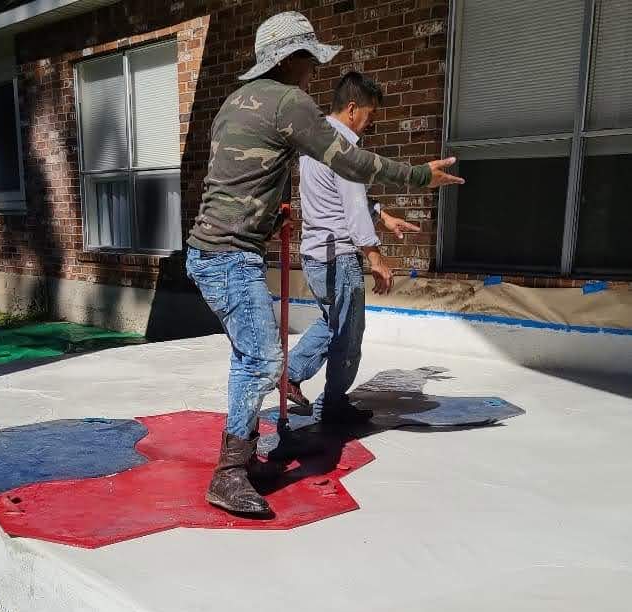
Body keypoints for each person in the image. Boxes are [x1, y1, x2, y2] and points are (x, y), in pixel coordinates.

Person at [186, 11, 463, 518]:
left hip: (210, 250)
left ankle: (241, 463)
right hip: (229, 257)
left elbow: (237, 174)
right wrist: (420, 175)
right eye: (311, 60)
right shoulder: (290, 101)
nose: (314, 72)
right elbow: (351, 163)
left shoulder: (234, 102)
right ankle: (228, 475)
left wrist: (272, 209)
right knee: (264, 361)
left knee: (249, 358)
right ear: (292, 60)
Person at [286, 71, 421, 423]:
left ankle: (290, 373)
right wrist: (376, 258)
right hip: (340, 259)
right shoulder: (345, 149)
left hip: (315, 255)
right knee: (348, 334)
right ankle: (332, 405)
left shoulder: (315, 144)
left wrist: (385, 216)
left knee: (333, 323)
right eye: (370, 115)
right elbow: (353, 209)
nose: (370, 123)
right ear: (351, 108)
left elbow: (340, 197)